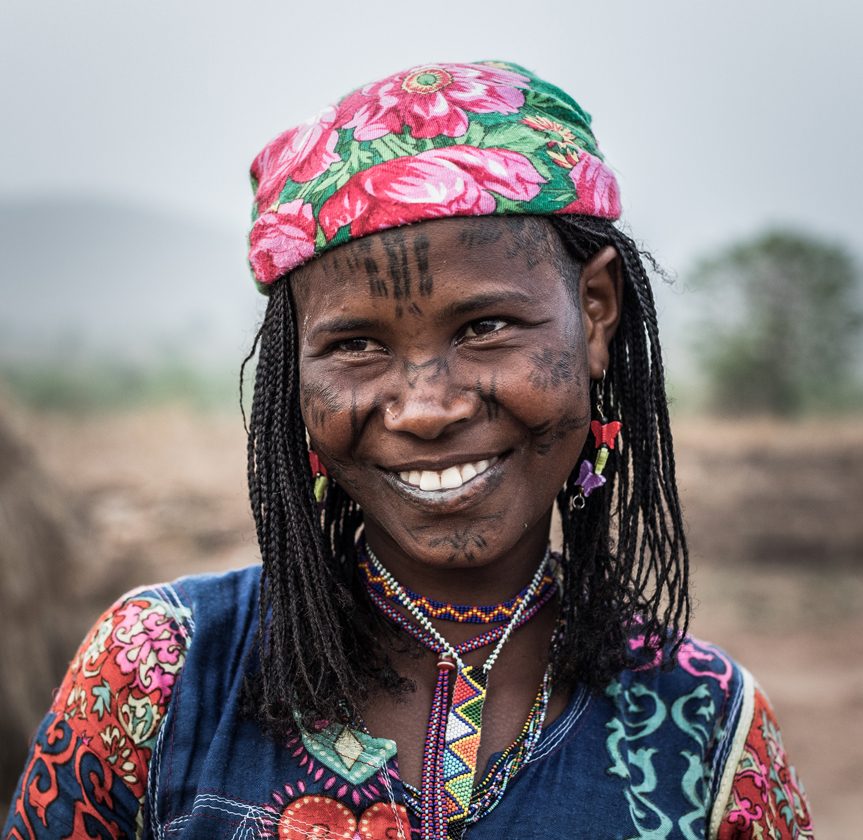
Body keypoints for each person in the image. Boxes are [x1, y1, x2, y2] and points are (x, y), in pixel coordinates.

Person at [3, 60, 813, 840]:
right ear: (297, 376)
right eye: (355, 345)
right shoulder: (162, 671)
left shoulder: (706, 728)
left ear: (594, 311)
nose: (426, 408)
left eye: (485, 328)